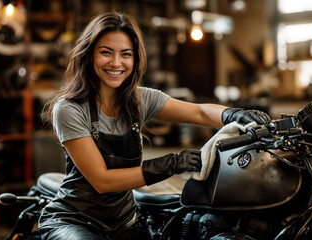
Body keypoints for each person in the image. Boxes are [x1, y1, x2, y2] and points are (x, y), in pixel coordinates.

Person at [38, 11, 270, 240]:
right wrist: (171, 164)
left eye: (125, 54)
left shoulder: (140, 99)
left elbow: (198, 111)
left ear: (135, 59)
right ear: (90, 56)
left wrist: (233, 114)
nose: (116, 63)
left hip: (124, 221)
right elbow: (102, 180)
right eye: (106, 53)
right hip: (75, 221)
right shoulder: (69, 108)